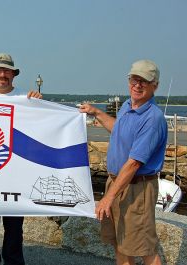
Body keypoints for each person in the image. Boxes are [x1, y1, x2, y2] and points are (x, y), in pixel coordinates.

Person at [79, 59, 167, 265]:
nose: (138, 85)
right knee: (119, 243)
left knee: (145, 249)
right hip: (118, 183)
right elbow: (119, 129)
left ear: (155, 85)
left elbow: (134, 163)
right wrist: (97, 113)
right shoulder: (128, 106)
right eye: (134, 79)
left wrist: (108, 197)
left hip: (137, 189)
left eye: (144, 81)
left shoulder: (153, 118)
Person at [0, 53, 42, 265]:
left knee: (14, 230)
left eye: (6, 71)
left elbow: (44, 127)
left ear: (13, 74)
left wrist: (41, 105)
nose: (2, 75)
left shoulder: (28, 99)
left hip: (16, 176)